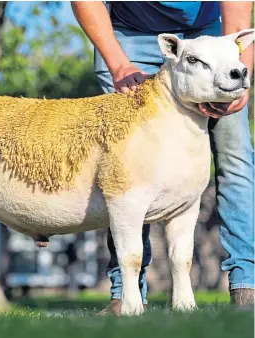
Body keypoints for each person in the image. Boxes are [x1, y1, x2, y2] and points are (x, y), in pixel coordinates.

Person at [71, 1, 254, 314]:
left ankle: (246, 286)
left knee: (233, 155)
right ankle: (126, 295)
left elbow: (238, 23)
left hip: (209, 40)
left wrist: (239, 82)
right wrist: (119, 65)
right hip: (128, 38)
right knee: (126, 167)